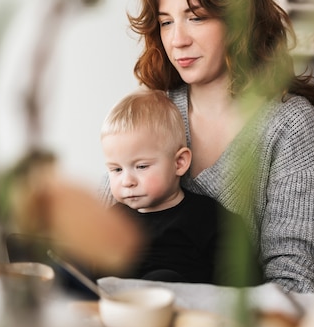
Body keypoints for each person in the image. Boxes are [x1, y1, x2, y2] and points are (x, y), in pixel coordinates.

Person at [118, 0, 314, 293]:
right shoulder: (153, 111)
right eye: (165, 22)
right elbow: (104, 236)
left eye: (196, 17)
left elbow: (299, 283)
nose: (177, 40)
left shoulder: (288, 125)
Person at [100, 88, 263, 286]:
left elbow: (243, 281)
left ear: (179, 163)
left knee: (162, 281)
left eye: (141, 166)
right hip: (119, 304)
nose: (127, 181)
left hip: (183, 305)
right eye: (116, 170)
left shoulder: (208, 218)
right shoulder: (114, 219)